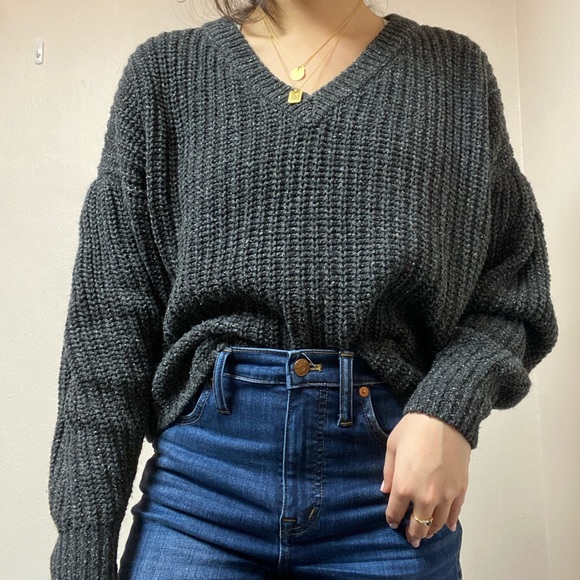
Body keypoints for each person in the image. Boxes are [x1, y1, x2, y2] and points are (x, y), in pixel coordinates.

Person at [48, 0, 559, 578]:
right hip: (200, 500)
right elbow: (107, 336)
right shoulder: (164, 73)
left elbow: (514, 293)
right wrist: (81, 554)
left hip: (387, 503)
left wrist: (450, 407)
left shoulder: (456, 74)